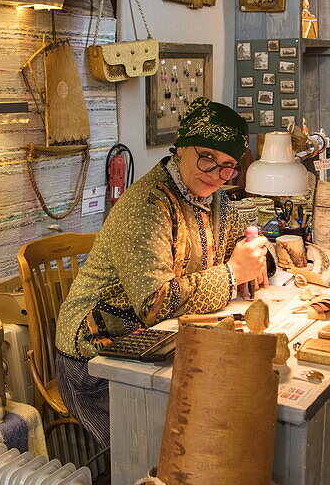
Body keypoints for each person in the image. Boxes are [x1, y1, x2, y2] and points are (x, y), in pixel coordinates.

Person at [53, 98, 270, 447]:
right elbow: (156, 303)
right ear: (181, 148)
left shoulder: (212, 197)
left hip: (155, 342)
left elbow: (240, 240)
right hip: (96, 360)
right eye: (207, 158)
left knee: (231, 393)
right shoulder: (148, 204)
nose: (215, 174)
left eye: (228, 166)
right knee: (184, 436)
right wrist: (232, 275)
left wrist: (259, 254)